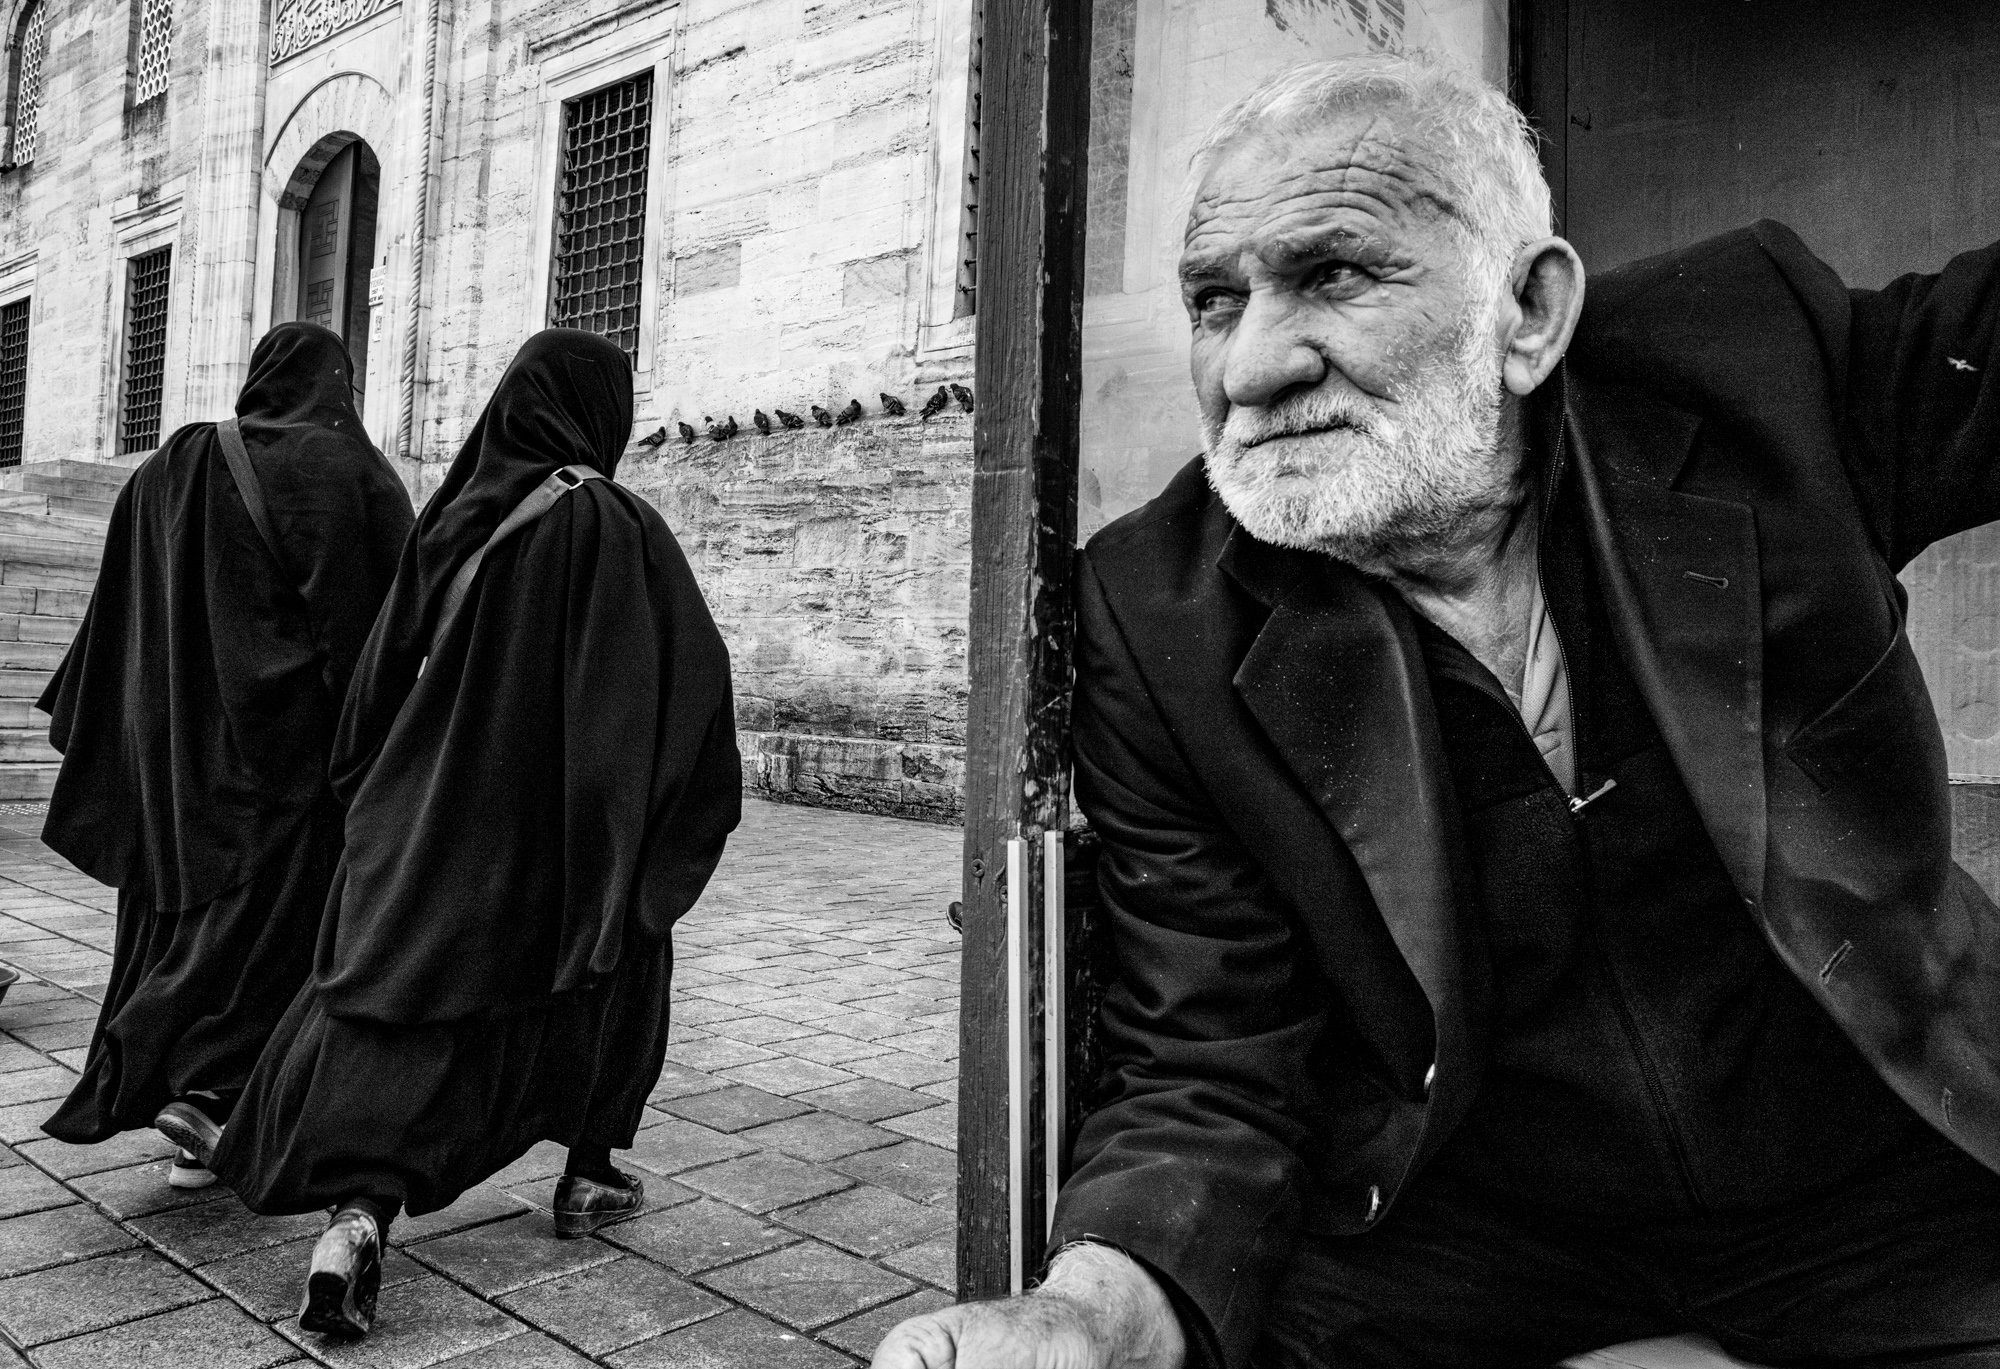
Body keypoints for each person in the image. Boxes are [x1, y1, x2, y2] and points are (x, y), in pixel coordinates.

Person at [875, 52, 2000, 1369]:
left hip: (1875, 1181)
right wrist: (1093, 1312)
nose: (1251, 367)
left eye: (1334, 274)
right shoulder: (1155, 616)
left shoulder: (1756, 364)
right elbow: (1209, 1056)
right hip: (1474, 1231)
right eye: (1213, 299)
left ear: (1527, 312)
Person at [213, 328, 742, 1339]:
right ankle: (588, 1172)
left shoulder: (456, 516)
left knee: (415, 1013)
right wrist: (640, 830)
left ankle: (357, 1219)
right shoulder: (615, 522)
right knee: (622, 956)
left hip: (427, 818)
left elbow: (376, 675)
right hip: (553, 836)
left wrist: (381, 801)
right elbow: (683, 696)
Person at [37, 323, 412, 1190]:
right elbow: (379, 628)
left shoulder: (167, 466)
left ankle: (193, 1115)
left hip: (174, 767)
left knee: (180, 931)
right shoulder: (345, 467)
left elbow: (120, 615)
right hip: (285, 769)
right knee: (267, 939)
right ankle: (212, 1094)